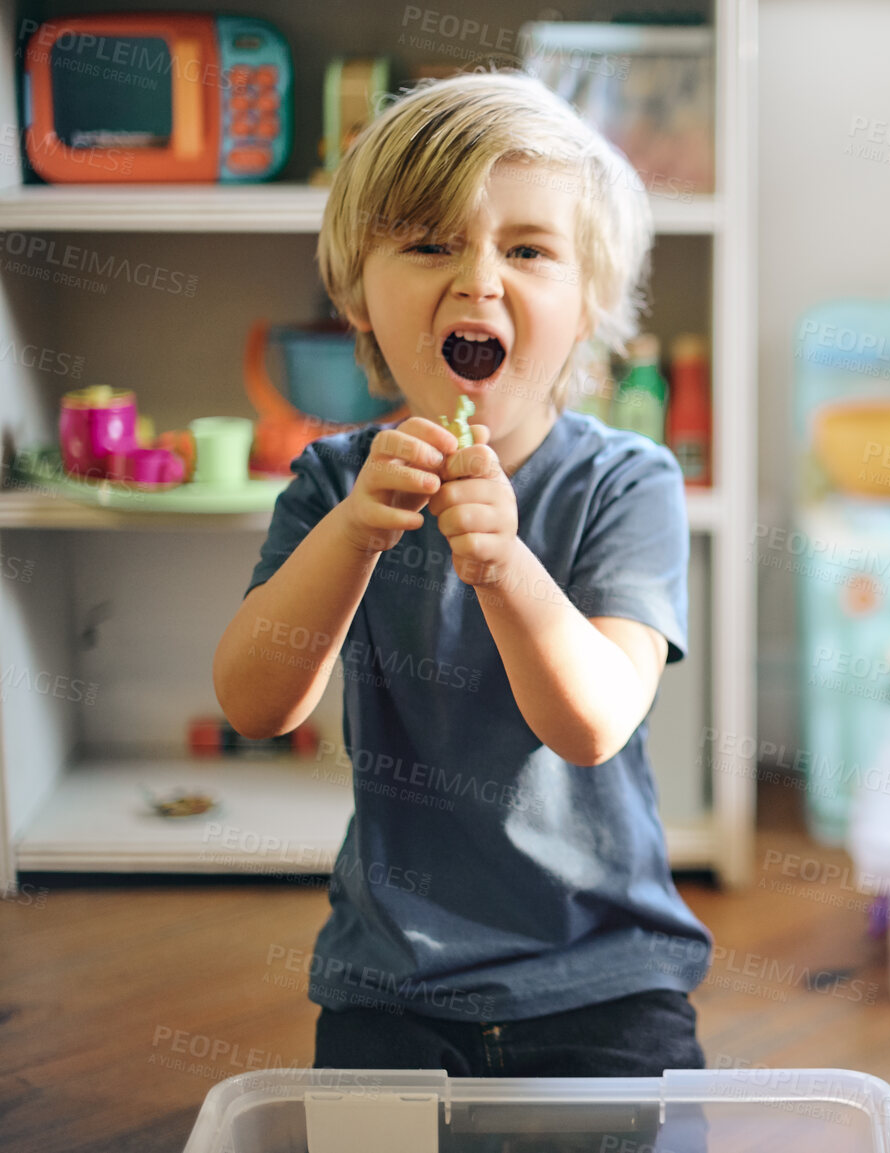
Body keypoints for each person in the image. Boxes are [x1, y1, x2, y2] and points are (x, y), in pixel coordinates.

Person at [212, 70, 711, 1078]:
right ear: (357, 295)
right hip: (391, 977)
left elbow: (594, 720)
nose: (479, 279)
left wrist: (505, 567)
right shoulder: (329, 484)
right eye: (430, 243)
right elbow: (254, 703)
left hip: (603, 971)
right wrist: (353, 533)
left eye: (527, 250)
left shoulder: (628, 481)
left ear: (586, 308)